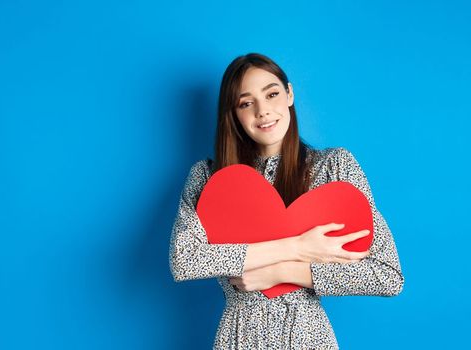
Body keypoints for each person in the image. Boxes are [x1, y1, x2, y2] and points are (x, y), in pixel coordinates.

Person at [169, 53, 404, 349]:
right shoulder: (208, 178)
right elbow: (185, 260)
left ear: (289, 93)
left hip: (309, 338)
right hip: (238, 338)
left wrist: (280, 272)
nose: (263, 111)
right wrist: (297, 247)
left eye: (272, 94)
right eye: (246, 103)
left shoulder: (333, 168)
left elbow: (386, 275)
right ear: (234, 113)